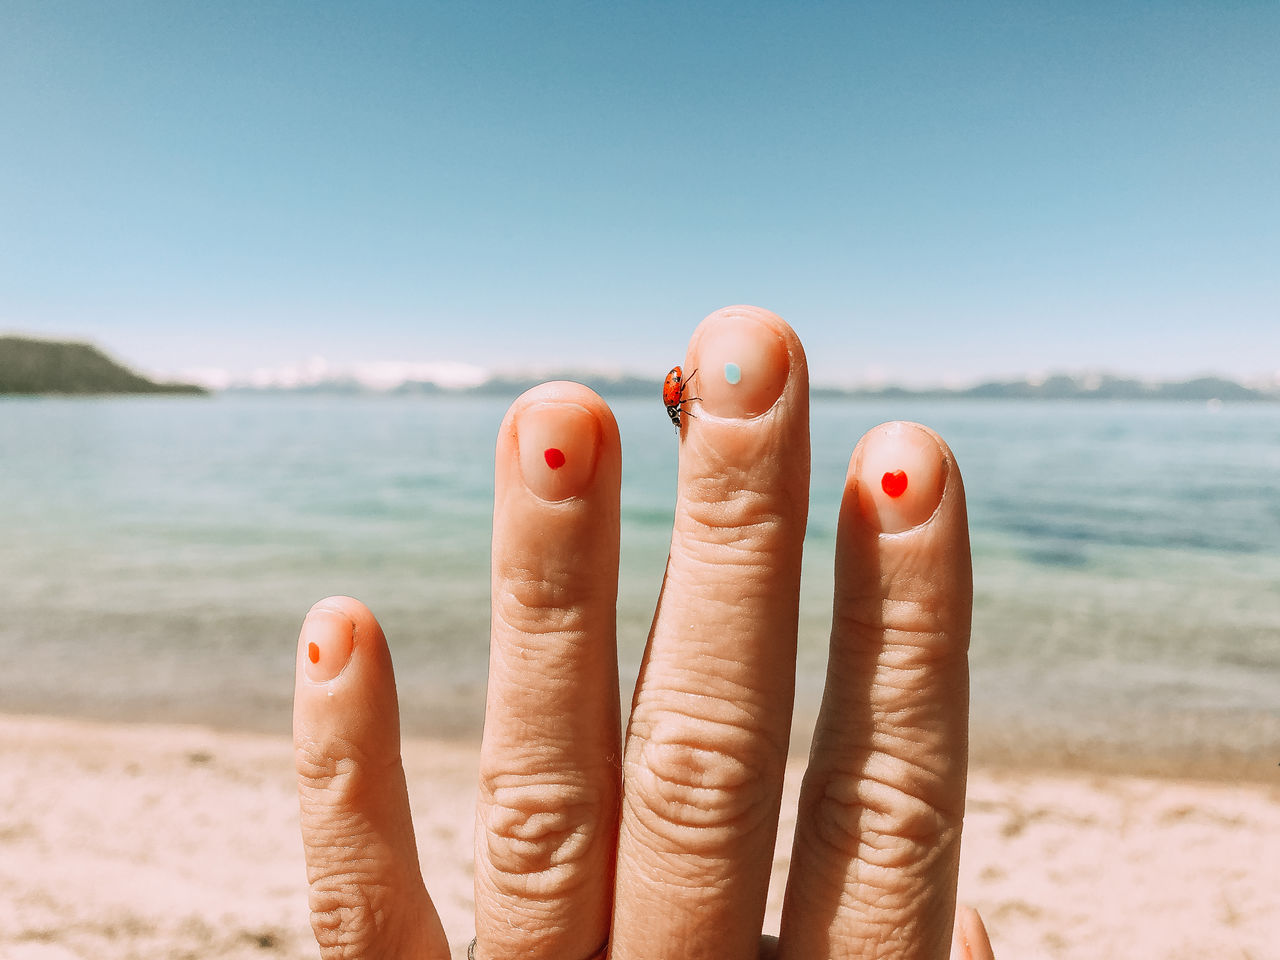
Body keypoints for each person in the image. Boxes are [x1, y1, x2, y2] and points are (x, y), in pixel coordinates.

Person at [291, 306, 997, 960]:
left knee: (625, 811)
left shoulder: (676, 395)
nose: (677, 399)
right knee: (686, 799)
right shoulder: (679, 394)